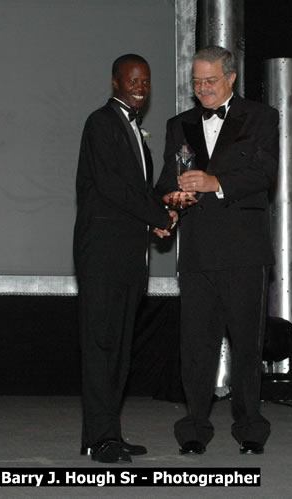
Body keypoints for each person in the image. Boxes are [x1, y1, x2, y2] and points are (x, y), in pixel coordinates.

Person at [156, 45, 279, 455]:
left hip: (245, 251)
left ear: (231, 79)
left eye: (210, 81)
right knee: (196, 346)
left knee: (247, 345)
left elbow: (263, 175)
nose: (203, 89)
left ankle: (249, 429)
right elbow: (165, 181)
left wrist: (213, 183)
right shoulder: (180, 124)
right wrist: (173, 198)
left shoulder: (261, 117)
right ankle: (193, 428)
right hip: (197, 252)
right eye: (196, 82)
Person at [73, 54, 177, 462]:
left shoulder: (135, 131)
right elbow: (113, 186)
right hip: (103, 256)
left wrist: (163, 212)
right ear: (115, 82)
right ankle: (102, 439)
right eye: (133, 80)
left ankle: (103, 432)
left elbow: (135, 192)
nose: (140, 87)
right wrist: (157, 214)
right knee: (102, 347)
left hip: (129, 258)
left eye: (146, 82)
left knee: (117, 350)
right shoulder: (101, 123)